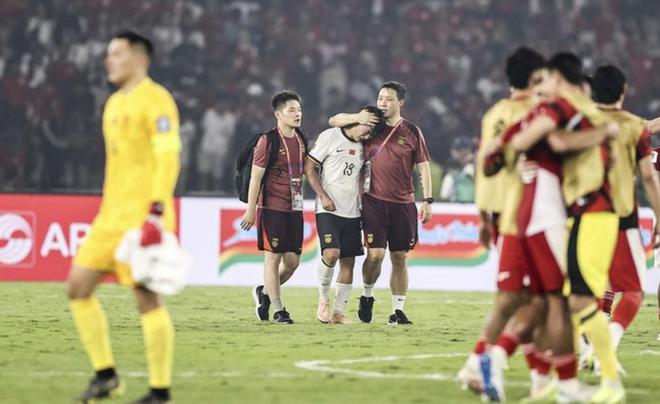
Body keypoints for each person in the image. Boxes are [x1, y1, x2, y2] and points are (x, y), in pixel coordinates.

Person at [66, 31, 181, 404]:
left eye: (116, 53)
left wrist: (156, 212)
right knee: (77, 287)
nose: (109, 60)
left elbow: (168, 157)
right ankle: (106, 376)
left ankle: (159, 391)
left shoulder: (157, 100)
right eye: (109, 53)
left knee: (146, 299)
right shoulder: (113, 103)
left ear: (139, 58)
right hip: (109, 217)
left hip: (144, 216)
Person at [510, 52, 623, 403]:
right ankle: (561, 381)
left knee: (580, 299)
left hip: (596, 212)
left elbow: (556, 142)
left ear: (558, 78)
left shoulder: (575, 109)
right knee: (569, 300)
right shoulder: (583, 112)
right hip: (581, 212)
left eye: (546, 79)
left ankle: (610, 382)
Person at [457, 46, 545, 394]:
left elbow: (485, 168)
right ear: (536, 76)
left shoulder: (494, 113)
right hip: (527, 214)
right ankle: (483, 365)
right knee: (534, 299)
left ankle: (536, 379)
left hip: (499, 214)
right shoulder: (537, 113)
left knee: (525, 298)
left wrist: (482, 216)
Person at [328, 81, 433, 325]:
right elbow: (334, 121)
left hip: (403, 204)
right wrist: (358, 117)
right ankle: (367, 295)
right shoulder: (370, 125)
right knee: (375, 255)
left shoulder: (412, 131)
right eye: (380, 98)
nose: (383, 103)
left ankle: (397, 311)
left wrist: (427, 200)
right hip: (373, 201)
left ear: (400, 102)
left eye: (388, 99)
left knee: (400, 258)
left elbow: (423, 166)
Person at [580, 64, 660, 372]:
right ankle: (605, 349)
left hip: (582, 217)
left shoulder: (575, 125)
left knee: (586, 287)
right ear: (623, 91)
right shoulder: (633, 127)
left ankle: (588, 347)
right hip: (621, 216)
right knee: (632, 290)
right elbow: (649, 177)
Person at [306, 106, 385, 324]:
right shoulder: (330, 136)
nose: (367, 137)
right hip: (328, 208)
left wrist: (361, 202)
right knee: (331, 254)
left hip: (352, 211)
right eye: (367, 130)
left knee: (348, 263)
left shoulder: (363, 147)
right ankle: (323, 301)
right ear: (360, 120)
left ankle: (339, 312)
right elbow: (309, 167)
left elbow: (360, 176)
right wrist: (322, 196)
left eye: (371, 134)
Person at [241, 91, 308, 324]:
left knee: (292, 262)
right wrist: (251, 209)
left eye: (299, 110)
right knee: (273, 258)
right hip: (271, 207)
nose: (298, 114)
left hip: (295, 207)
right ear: (278, 114)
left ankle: (264, 292)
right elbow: (255, 177)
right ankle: (279, 310)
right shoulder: (267, 141)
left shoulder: (301, 139)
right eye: (292, 110)